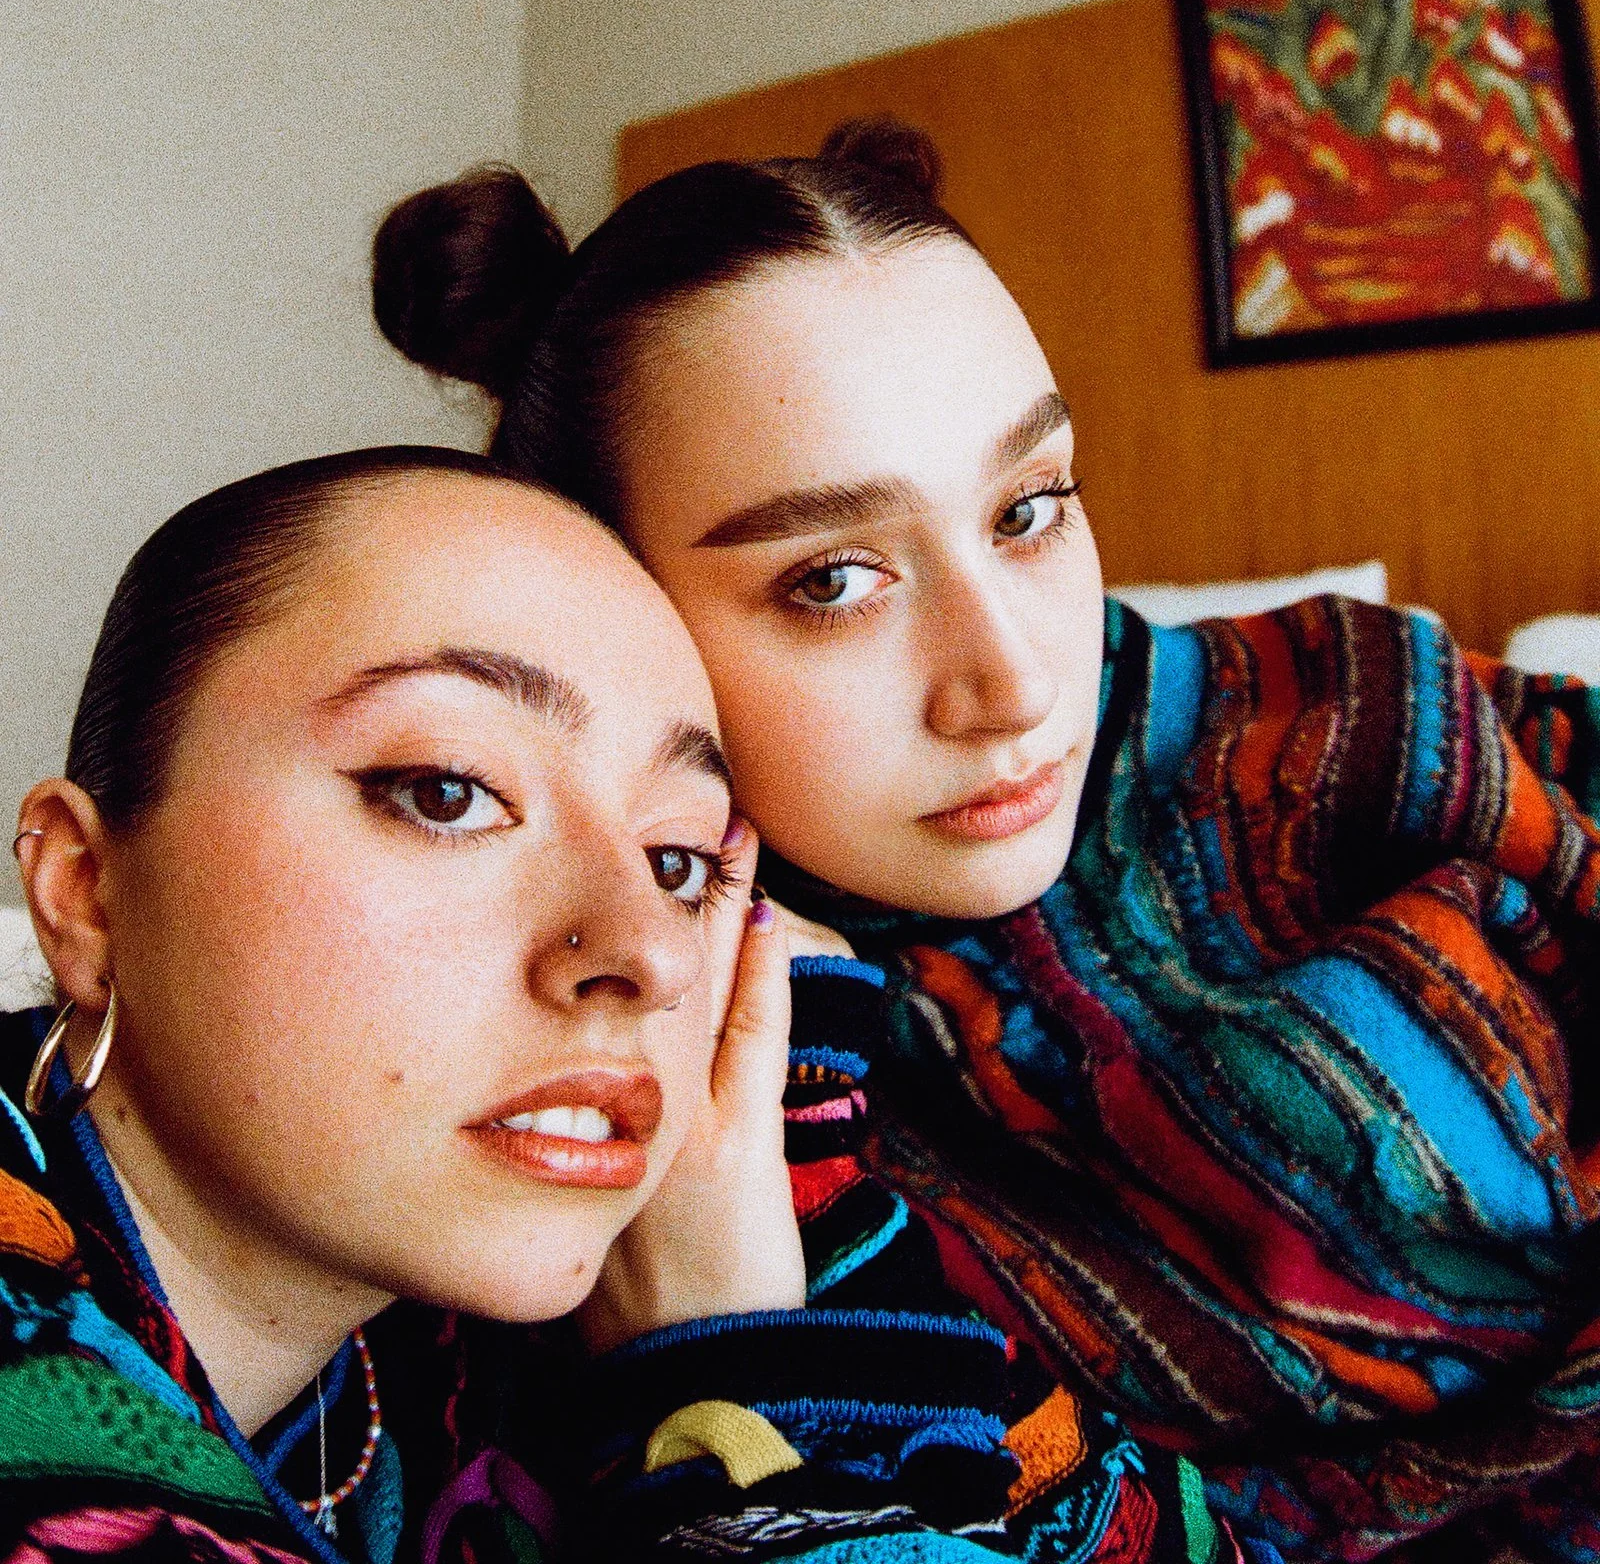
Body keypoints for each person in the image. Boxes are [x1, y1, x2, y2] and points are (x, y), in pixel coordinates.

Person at [373, 125, 1600, 1561]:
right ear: (608, 604)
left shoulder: (1358, 713)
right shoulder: (648, 1071)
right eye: (833, 579)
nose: (1015, 682)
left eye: (1030, 510)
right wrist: (732, 1365)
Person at [6, 444, 1253, 1564]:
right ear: (86, 890)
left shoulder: (585, 1273)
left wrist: (748, 1313)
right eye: (447, 789)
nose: (644, 952)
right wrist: (728, 1400)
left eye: (679, 860)